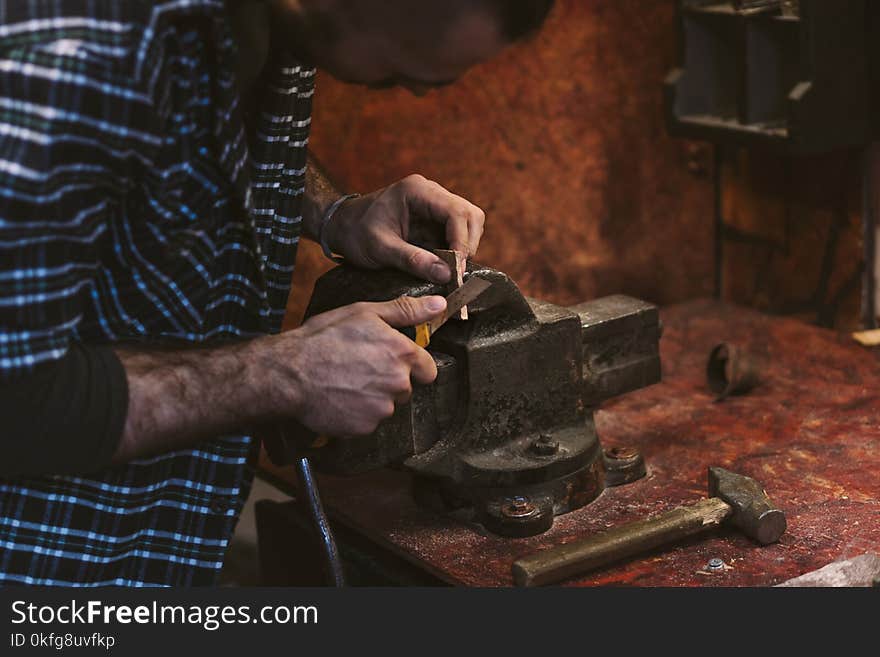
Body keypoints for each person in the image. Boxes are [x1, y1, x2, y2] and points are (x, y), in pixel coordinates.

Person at [0, 0, 555, 586]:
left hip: (166, 538)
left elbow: (199, 144)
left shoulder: (286, 21)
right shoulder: (71, 58)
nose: (417, 94)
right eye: (400, 69)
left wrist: (333, 212)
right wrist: (284, 373)